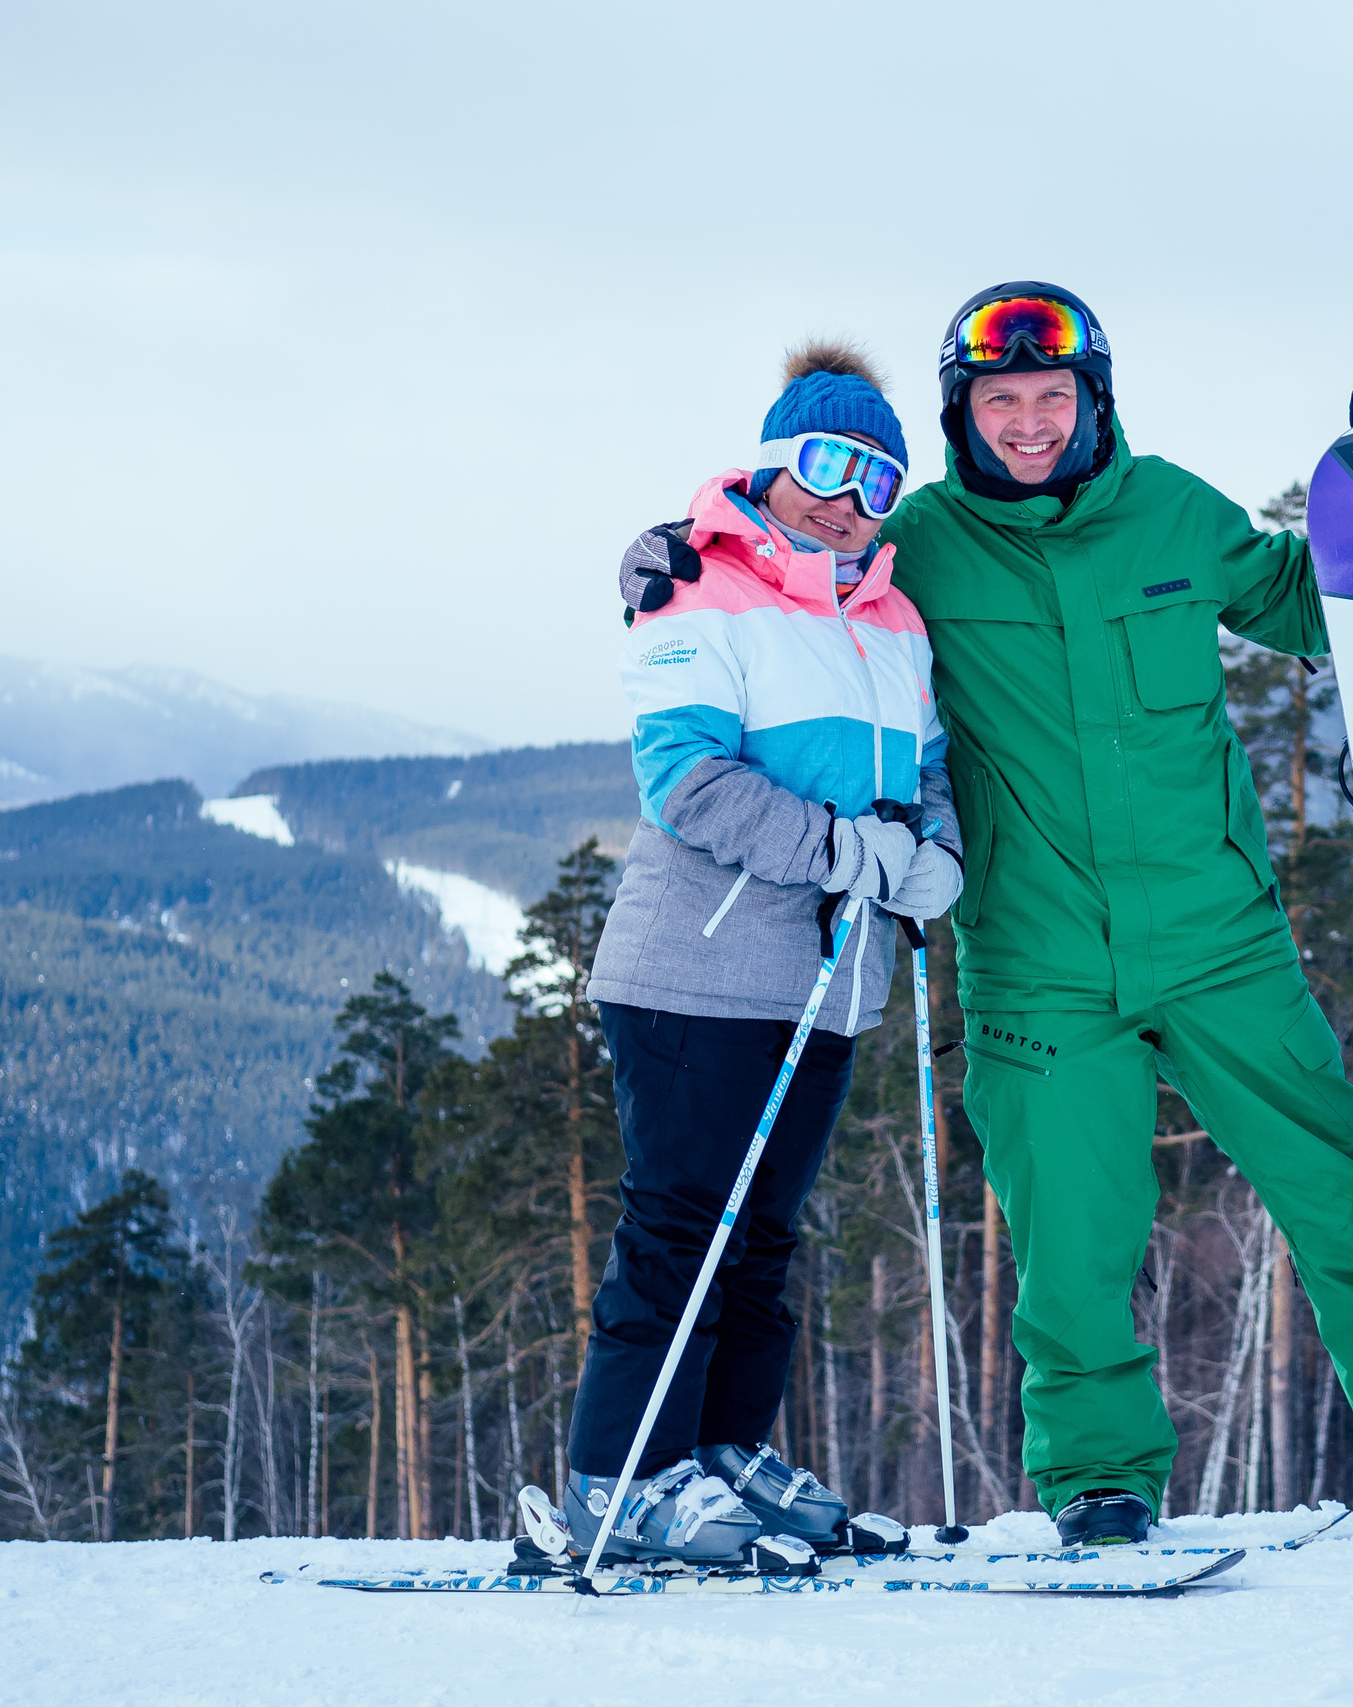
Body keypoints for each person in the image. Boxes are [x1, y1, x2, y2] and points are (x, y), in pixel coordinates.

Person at [631, 285, 1353, 1547]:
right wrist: (660, 553)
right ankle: (1101, 1483)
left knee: (1343, 1204)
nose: (1026, 422)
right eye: (999, 400)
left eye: (1050, 397)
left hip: (1220, 940)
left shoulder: (1174, 510)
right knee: (1071, 1257)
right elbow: (777, 569)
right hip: (1037, 966)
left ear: (1092, 401)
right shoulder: (922, 546)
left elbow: (1309, 603)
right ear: (963, 415)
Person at [568, 341, 962, 1565]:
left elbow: (931, 773)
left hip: (829, 986)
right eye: (826, 465)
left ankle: (724, 1452)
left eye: (876, 480)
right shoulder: (705, 590)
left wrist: (930, 859)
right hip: (697, 972)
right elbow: (687, 784)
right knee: (681, 1229)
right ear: (776, 460)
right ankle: (624, 1481)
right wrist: (853, 851)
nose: (846, 499)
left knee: (766, 1242)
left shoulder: (891, 619)